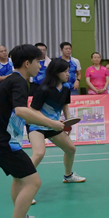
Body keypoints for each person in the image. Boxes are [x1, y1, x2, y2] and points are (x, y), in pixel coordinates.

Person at [0, 44, 65, 218]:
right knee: (33, 181)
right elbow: (21, 111)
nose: (40, 66)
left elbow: (23, 110)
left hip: (1, 140)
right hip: (1, 142)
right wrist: (52, 123)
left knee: (20, 179)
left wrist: (48, 122)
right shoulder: (19, 81)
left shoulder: (14, 80)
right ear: (27, 63)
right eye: (38, 62)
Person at [28, 57, 86, 189]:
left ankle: (68, 176)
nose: (68, 74)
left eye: (68, 71)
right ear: (55, 72)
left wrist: (68, 122)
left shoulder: (66, 87)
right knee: (39, 153)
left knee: (70, 149)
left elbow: (65, 104)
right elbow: (33, 111)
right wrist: (50, 122)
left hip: (53, 126)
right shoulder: (43, 89)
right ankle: (22, 182)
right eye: (64, 71)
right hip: (37, 125)